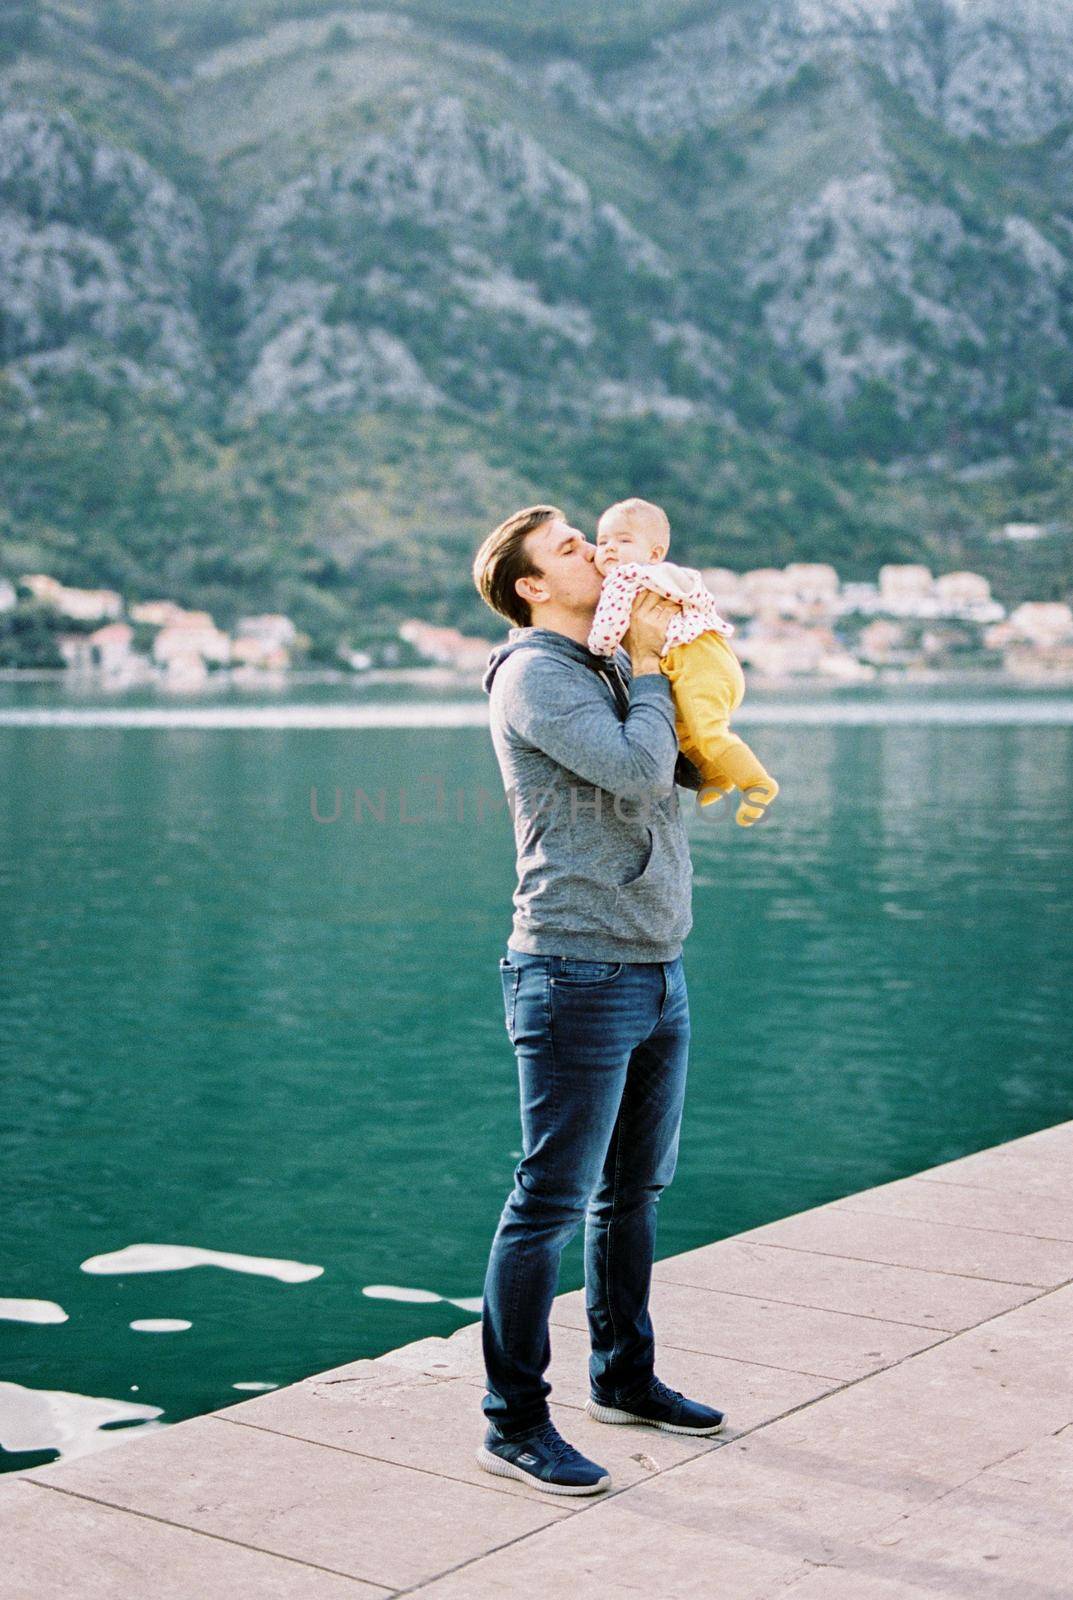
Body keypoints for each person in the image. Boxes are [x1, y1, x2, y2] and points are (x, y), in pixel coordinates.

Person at [469, 503, 727, 1498]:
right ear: (531, 585)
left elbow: (676, 770)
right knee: (548, 1202)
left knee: (633, 1193)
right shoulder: (535, 671)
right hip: (573, 970)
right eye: (570, 546)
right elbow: (627, 770)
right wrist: (657, 670)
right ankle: (512, 1422)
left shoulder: (605, 663)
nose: (594, 550)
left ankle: (622, 1379)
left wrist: (685, 668)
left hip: (655, 963)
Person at [589, 497, 778, 826]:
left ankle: (758, 783)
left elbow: (605, 633)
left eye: (623, 540)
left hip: (694, 663)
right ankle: (717, 777)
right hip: (716, 659)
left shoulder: (624, 579)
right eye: (602, 541)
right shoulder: (677, 578)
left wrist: (597, 649)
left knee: (709, 733)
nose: (609, 549)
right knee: (684, 732)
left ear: (654, 553)